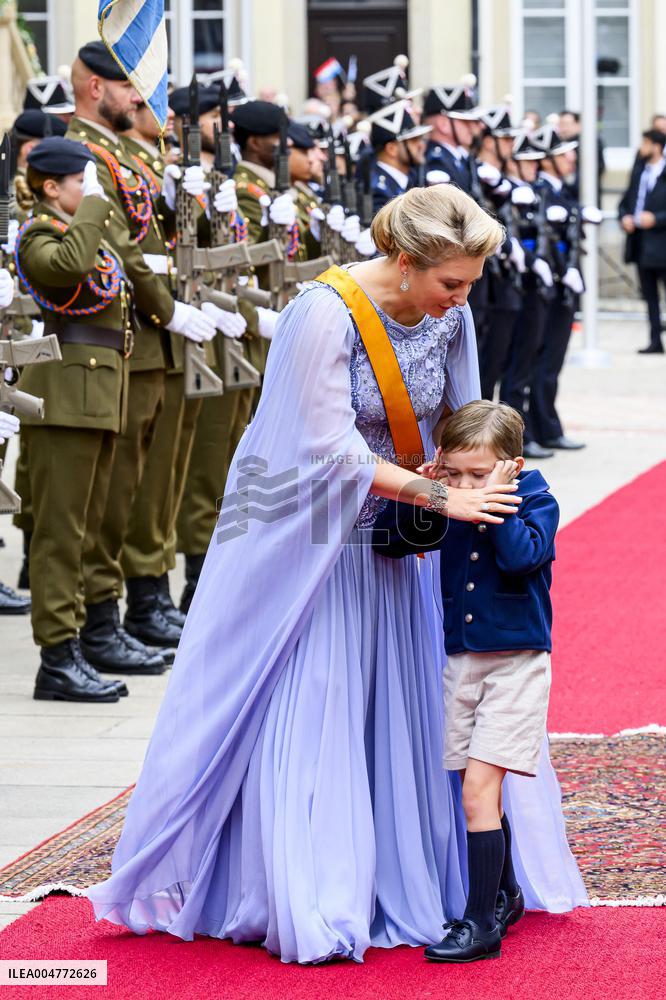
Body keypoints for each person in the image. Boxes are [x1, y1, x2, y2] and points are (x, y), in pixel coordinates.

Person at [87, 184, 586, 962]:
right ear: (404, 259)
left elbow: (465, 424)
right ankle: (315, 891)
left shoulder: (450, 317)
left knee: (411, 713)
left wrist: (490, 494)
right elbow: (325, 449)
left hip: (403, 542)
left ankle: (443, 878)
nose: (462, 299)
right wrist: (437, 495)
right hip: (313, 539)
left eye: (470, 283)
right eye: (451, 282)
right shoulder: (322, 314)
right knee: (320, 704)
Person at [373, 400, 560, 962]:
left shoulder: (535, 499)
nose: (466, 486)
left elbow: (522, 558)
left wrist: (491, 502)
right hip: (462, 662)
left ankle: (479, 925)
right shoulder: (451, 499)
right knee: (475, 791)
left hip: (516, 665)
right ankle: (505, 893)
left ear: (512, 467)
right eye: (455, 473)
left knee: (478, 791)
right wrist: (429, 491)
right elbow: (390, 540)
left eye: (478, 474)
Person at [13, 137, 166, 699]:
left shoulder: (84, 232)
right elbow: (69, 268)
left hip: (97, 395)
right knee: (60, 534)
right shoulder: (38, 235)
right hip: (64, 400)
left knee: (89, 529)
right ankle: (56, 656)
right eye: (82, 182)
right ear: (52, 188)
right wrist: (98, 206)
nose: (93, 190)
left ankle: (81, 638)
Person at [619, 128, 666, 354]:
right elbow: (625, 202)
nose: (641, 148)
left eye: (645, 143)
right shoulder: (639, 172)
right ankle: (655, 340)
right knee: (650, 297)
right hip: (641, 245)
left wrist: (656, 219)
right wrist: (625, 217)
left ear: (656, 147)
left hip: (662, 245)